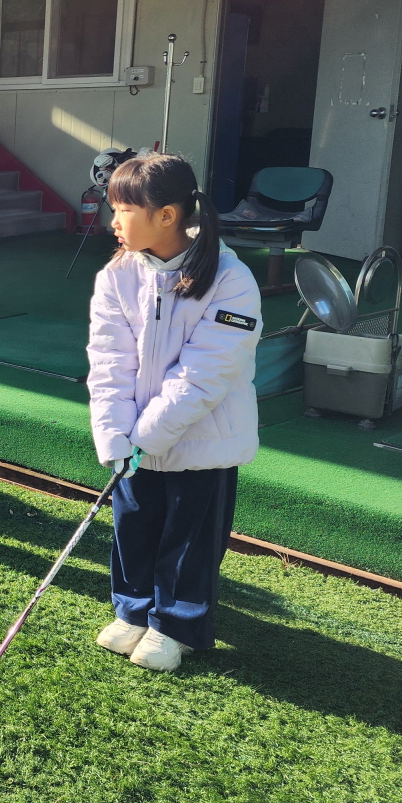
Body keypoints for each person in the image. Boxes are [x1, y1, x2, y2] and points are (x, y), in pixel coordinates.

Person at [87, 152, 261, 672]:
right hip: (137, 439)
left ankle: (176, 624)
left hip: (204, 440)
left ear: (166, 215)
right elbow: (108, 362)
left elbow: (204, 376)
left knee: (189, 538)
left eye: (123, 209)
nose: (113, 221)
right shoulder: (116, 275)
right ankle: (134, 611)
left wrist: (145, 436)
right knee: (134, 524)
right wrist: (116, 436)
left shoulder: (231, 279)